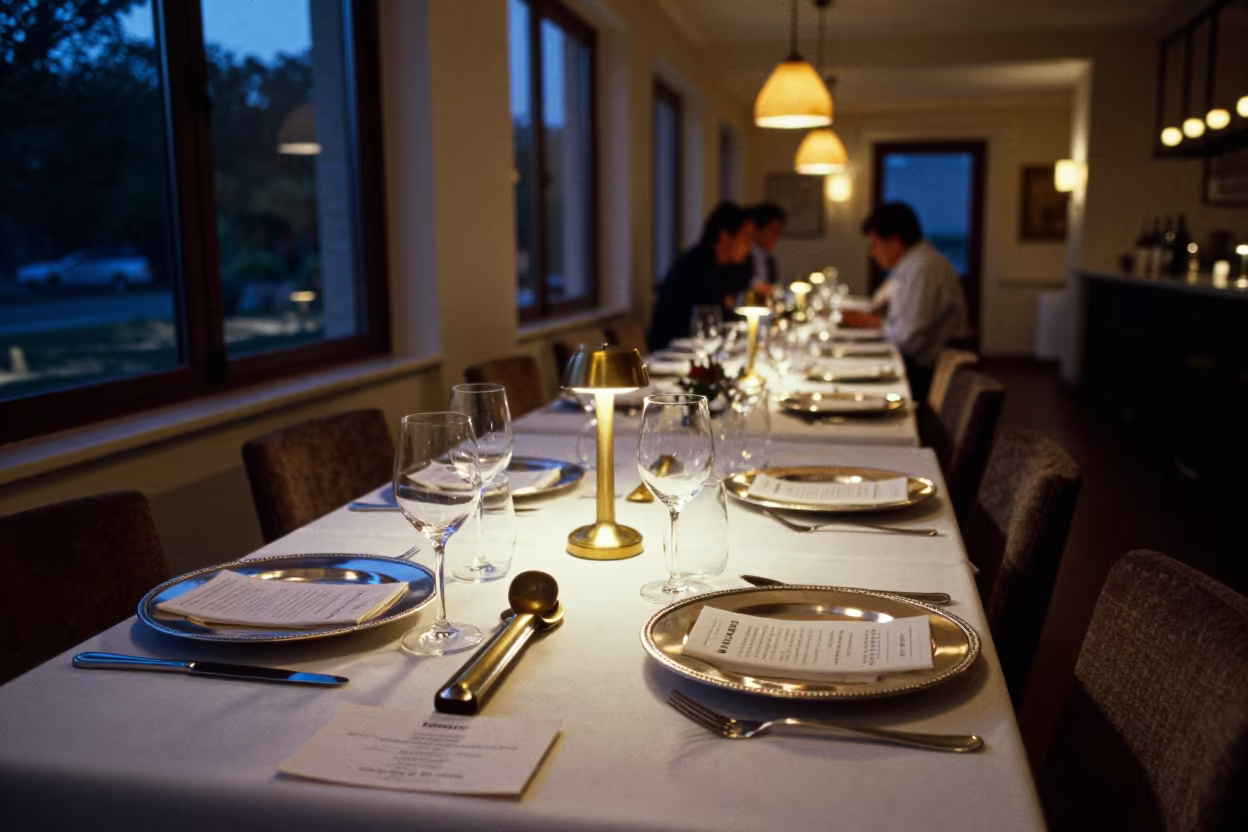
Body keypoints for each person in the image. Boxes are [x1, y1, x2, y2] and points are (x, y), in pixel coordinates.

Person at [841, 202, 969, 402]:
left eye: (875, 244)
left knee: (848, 381)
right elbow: (881, 303)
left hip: (926, 375)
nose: (873, 253)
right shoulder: (913, 265)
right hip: (921, 367)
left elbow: (907, 340)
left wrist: (869, 322)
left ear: (895, 240)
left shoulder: (923, 269)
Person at [648, 202, 754, 351]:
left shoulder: (725, 268)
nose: (749, 246)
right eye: (746, 237)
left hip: (697, 350)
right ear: (725, 236)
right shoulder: (696, 266)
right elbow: (709, 322)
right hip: (673, 351)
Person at [746, 203, 786, 286]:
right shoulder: (742, 258)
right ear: (757, 229)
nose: (777, 236)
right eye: (773, 231)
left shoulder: (768, 259)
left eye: (779, 232)